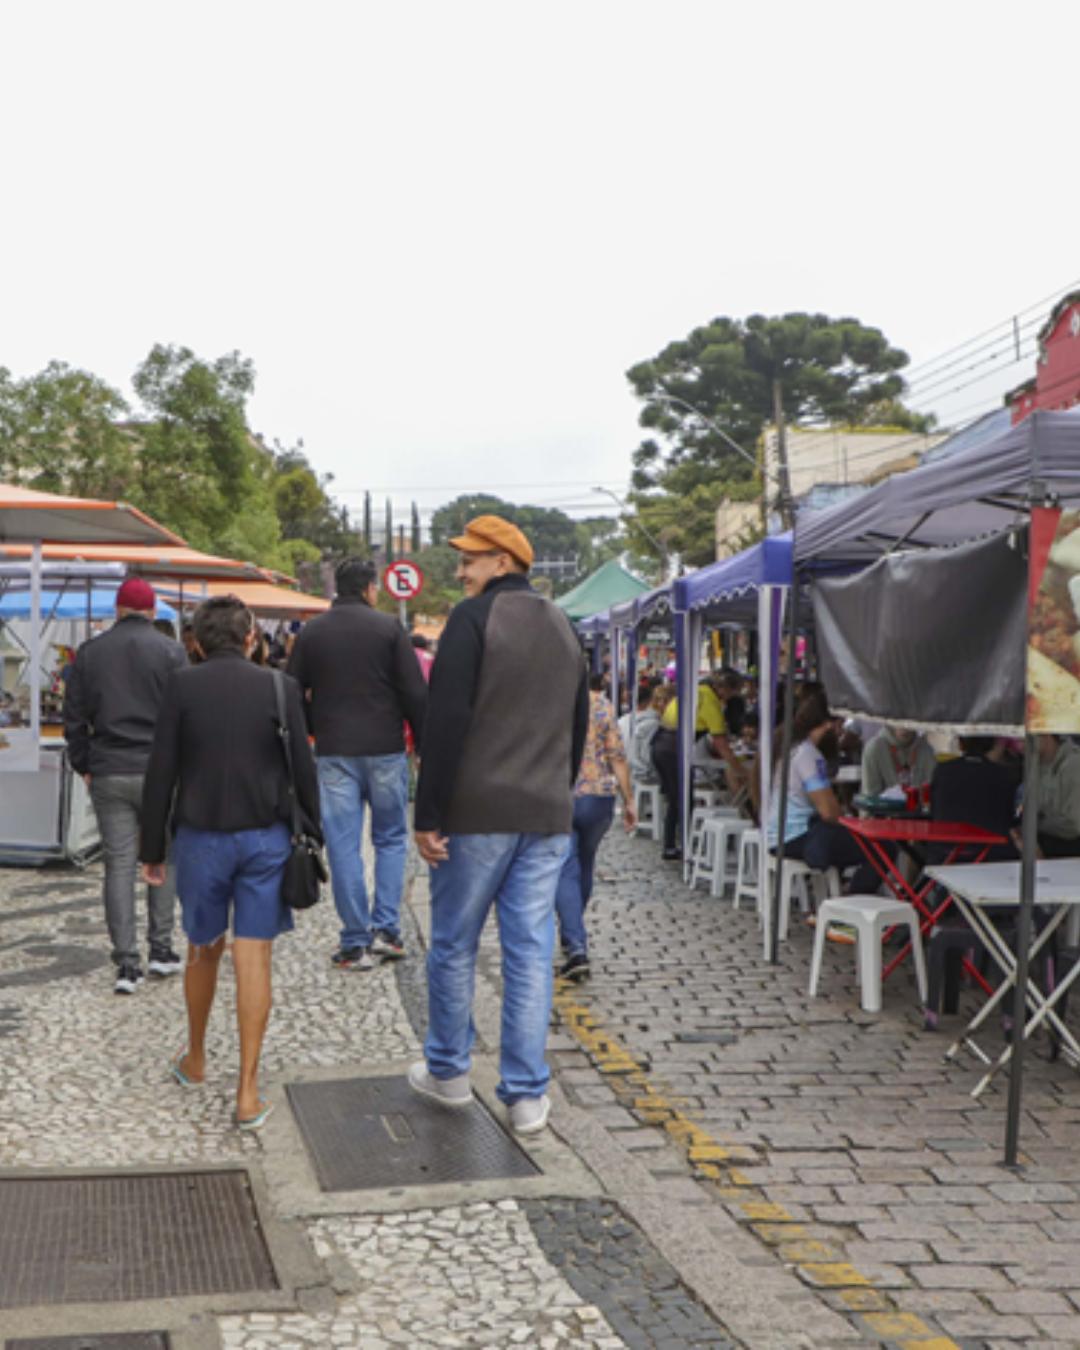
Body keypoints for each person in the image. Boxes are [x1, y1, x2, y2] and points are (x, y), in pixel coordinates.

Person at [410, 514, 588, 1136]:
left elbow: (446, 720)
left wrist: (427, 813)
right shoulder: (565, 624)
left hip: (478, 812)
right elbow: (578, 722)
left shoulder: (472, 620)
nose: (460, 571)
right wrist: (554, 794)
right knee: (531, 951)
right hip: (545, 814)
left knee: (455, 943)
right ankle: (525, 1094)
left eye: (470, 559)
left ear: (502, 563)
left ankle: (450, 1073)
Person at [139, 595, 320, 1131]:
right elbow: (303, 768)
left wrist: (153, 849)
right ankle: (246, 1092)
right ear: (251, 638)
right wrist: (314, 834)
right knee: (253, 957)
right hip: (266, 840)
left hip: (201, 839)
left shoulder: (182, 687)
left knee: (202, 949)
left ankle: (196, 1058)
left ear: (194, 642)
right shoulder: (279, 688)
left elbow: (161, 771)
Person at [288, 558, 427, 969]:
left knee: (344, 845)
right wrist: (421, 744)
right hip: (385, 747)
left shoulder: (313, 633)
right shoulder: (389, 630)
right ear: (369, 589)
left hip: (333, 751)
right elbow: (414, 693)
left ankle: (354, 938)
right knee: (389, 839)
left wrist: (315, 728)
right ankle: (386, 929)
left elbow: (293, 693)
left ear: (337, 590)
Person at [63, 577, 187, 994]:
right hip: (160, 770)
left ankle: (126, 963)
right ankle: (162, 950)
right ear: (152, 611)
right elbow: (185, 716)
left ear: (117, 610)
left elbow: (74, 718)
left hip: (110, 767)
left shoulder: (89, 653)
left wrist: (84, 762)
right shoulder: (172, 651)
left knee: (117, 864)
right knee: (163, 856)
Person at [555, 675, 637, 980]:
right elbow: (617, 756)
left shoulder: (554, 702)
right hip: (599, 798)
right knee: (584, 863)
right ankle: (572, 930)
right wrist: (629, 800)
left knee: (565, 867)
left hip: (562, 794)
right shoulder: (602, 704)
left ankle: (576, 944)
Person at [769, 692, 883, 895]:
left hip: (777, 835)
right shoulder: (809, 755)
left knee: (847, 843)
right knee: (882, 849)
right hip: (798, 836)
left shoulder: (790, 748)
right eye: (840, 726)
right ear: (830, 724)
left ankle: (835, 897)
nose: (841, 734)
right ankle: (850, 903)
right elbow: (829, 812)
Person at [651, 677, 744, 861]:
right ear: (721, 688)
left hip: (659, 744)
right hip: (673, 749)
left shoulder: (692, 690)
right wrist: (738, 768)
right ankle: (676, 845)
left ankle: (674, 843)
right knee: (681, 799)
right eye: (730, 694)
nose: (728, 699)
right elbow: (720, 742)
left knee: (676, 799)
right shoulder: (710, 701)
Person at [1034, 734, 1080, 857]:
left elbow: (1073, 826)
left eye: (1024, 740)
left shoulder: (1073, 765)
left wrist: (1035, 824)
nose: (1019, 746)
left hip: (1068, 850)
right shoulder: (1034, 764)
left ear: (1046, 736)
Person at [861, 725, 937, 797]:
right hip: (885, 809)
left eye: (907, 721)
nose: (904, 727)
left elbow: (934, 789)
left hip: (920, 808)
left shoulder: (926, 748)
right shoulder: (875, 748)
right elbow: (870, 795)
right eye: (898, 722)